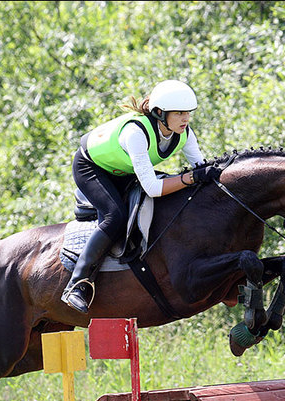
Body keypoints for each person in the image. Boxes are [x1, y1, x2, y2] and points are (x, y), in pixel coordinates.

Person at [61, 79, 222, 313]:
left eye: (187, 113)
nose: (185, 119)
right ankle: (78, 284)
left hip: (123, 169)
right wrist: (190, 178)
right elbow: (154, 188)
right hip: (92, 167)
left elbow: (201, 168)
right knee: (114, 217)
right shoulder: (136, 133)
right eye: (178, 113)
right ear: (159, 113)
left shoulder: (184, 133)